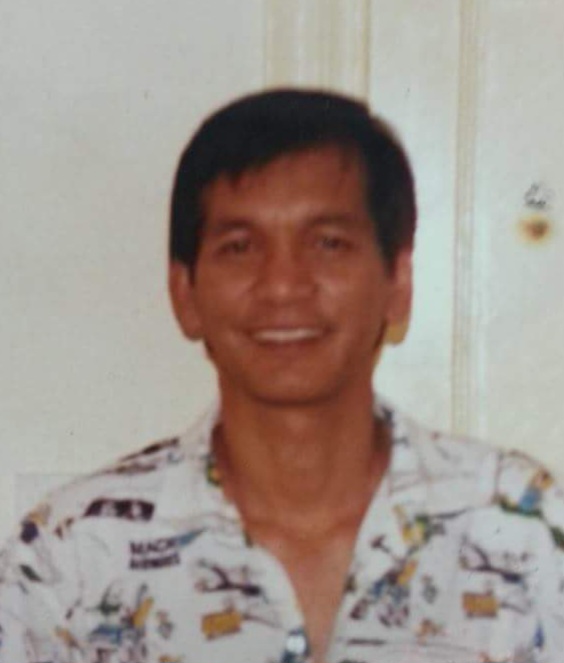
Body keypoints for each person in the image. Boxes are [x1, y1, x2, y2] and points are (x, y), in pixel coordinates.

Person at [1, 88, 563, 663]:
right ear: (184, 292)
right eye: (240, 247)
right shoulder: (70, 562)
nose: (284, 285)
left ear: (398, 283)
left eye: (328, 243)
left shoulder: (526, 529)